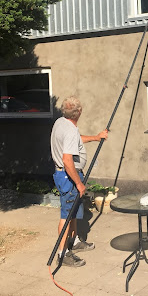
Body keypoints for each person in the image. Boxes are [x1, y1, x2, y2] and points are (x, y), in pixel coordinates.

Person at [50, 96, 108, 267]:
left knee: (73, 212)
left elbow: (75, 140)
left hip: (68, 176)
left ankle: (74, 241)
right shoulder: (69, 130)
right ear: (79, 112)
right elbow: (67, 160)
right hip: (68, 177)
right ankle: (62, 254)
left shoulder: (60, 122)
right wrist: (79, 183)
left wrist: (96, 137)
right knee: (67, 216)